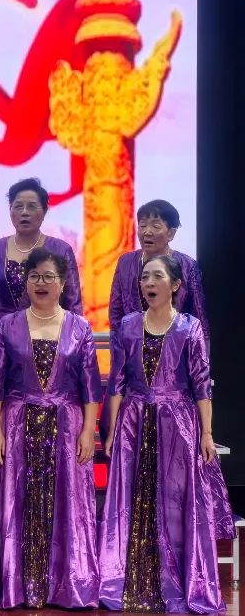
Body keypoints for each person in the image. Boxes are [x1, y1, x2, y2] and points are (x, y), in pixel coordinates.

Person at [99, 255, 233, 613]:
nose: (148, 283)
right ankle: (129, 578)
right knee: (134, 497)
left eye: (156, 276)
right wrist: (111, 431)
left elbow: (202, 386)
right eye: (144, 277)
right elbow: (117, 382)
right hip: (134, 421)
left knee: (174, 502)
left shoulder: (189, 328)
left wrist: (206, 433)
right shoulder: (128, 325)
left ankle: (175, 579)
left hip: (177, 424)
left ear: (174, 285)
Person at [0, 248, 100, 609]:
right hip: (17, 425)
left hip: (66, 428)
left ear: (63, 283)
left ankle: (65, 587)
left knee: (68, 507)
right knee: (18, 505)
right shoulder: (8, 325)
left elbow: (91, 388)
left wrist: (88, 431)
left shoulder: (80, 327)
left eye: (49, 276)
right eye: (34, 276)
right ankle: (18, 587)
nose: (41, 282)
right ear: (26, 282)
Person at [102, 199, 210, 441]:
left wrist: (202, 368)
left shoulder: (187, 266)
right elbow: (116, 313)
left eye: (155, 225)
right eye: (142, 225)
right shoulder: (126, 262)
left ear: (171, 233)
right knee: (119, 431)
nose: (147, 232)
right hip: (132, 365)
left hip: (174, 371)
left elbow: (200, 320)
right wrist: (120, 358)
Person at [0, 177, 82, 336]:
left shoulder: (61, 250)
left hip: (47, 336)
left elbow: (73, 305)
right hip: (0, 339)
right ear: (10, 211)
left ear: (44, 211)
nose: (24, 212)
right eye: (18, 206)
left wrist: (74, 342)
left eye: (32, 207)